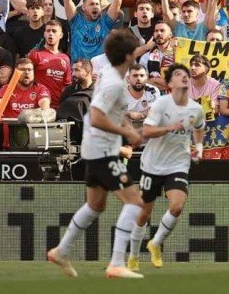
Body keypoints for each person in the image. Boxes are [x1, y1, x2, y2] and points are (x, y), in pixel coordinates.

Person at [47, 29, 145, 279]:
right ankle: (116, 263)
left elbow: (112, 112)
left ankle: (61, 250)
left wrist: (128, 129)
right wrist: (127, 134)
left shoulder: (111, 78)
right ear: (128, 55)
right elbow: (98, 117)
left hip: (96, 149)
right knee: (134, 202)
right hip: (103, 151)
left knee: (95, 205)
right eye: (135, 51)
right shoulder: (113, 82)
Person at [127, 63, 205, 271]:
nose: (185, 78)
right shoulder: (161, 104)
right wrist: (169, 127)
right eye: (179, 75)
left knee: (177, 206)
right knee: (144, 212)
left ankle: (155, 242)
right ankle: (134, 255)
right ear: (170, 83)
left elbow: (199, 128)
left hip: (178, 163)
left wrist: (198, 146)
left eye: (186, 75)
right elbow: (147, 131)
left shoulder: (196, 108)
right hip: (153, 164)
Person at [0, 57, 51, 150]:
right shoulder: (7, 88)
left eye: (29, 69)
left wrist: (43, 110)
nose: (26, 72)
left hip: (34, 144)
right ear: (16, 72)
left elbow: (45, 106)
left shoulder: (41, 89)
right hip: (11, 144)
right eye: (22, 70)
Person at [27, 20, 71, 109]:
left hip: (58, 106)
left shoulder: (65, 58)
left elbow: (68, 85)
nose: (50, 34)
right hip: (37, 106)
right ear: (44, 34)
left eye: (54, 31)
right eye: (48, 31)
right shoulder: (35, 55)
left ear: (61, 35)